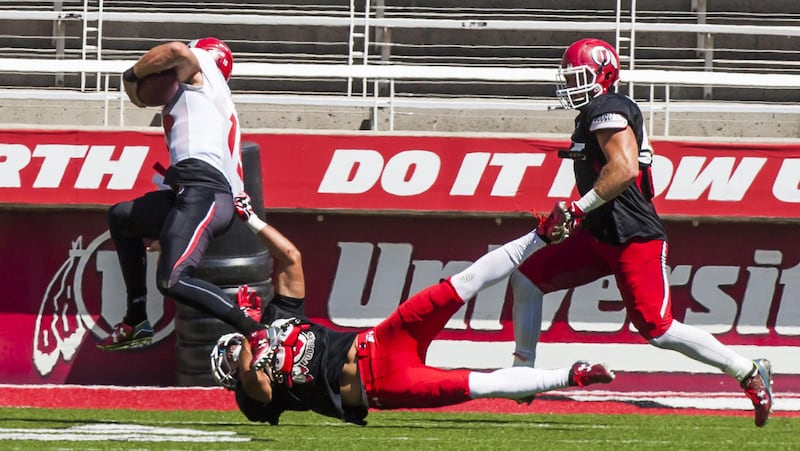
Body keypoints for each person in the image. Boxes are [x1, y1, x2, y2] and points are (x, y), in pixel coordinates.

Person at [510, 38, 774, 427]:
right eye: (566, 77)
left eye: (577, 76)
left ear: (604, 75)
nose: (569, 85)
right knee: (526, 279)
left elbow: (625, 170)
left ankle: (748, 370)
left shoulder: (609, 108)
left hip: (633, 237)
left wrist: (577, 209)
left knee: (658, 329)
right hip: (600, 235)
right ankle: (523, 374)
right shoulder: (595, 111)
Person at [209, 193, 615, 425]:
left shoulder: (275, 320)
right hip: (381, 385)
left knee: (461, 284)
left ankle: (540, 235)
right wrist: (251, 344)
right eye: (231, 360)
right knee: (475, 384)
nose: (235, 357)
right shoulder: (250, 396)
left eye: (230, 350)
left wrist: (251, 220)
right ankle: (574, 374)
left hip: (381, 339)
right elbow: (260, 388)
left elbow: (292, 259)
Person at [98, 38, 273, 368]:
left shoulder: (201, 66)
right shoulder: (214, 100)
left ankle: (256, 331)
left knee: (173, 280)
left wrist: (132, 76)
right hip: (194, 190)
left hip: (203, 190)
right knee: (122, 216)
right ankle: (136, 318)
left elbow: (176, 51)